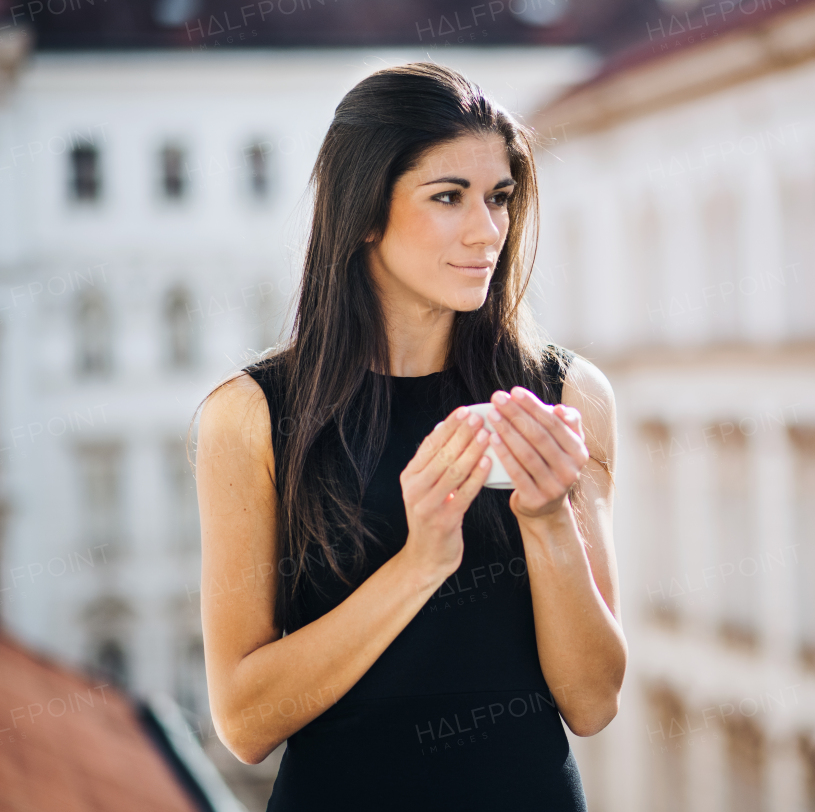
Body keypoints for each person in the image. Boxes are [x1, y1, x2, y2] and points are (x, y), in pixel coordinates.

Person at [196, 62, 626, 810]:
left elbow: (592, 701)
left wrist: (548, 516)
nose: (488, 230)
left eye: (498, 198)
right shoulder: (251, 416)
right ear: (364, 211)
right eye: (448, 197)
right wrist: (420, 561)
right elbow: (244, 721)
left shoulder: (566, 396)